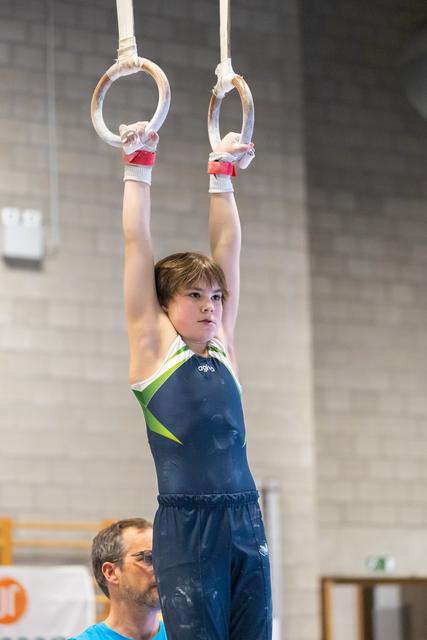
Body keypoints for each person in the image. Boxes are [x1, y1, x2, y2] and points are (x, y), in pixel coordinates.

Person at [120, 121, 272, 640]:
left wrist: (222, 173)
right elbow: (136, 243)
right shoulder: (153, 348)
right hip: (188, 527)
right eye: (194, 297)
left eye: (216, 298)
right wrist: (138, 166)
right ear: (165, 306)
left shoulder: (223, 344)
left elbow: (229, 243)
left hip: (246, 518)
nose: (210, 308)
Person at [72, 518, 166, 640]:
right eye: (148, 558)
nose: (162, 569)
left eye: (164, 559)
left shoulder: (185, 635)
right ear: (111, 572)